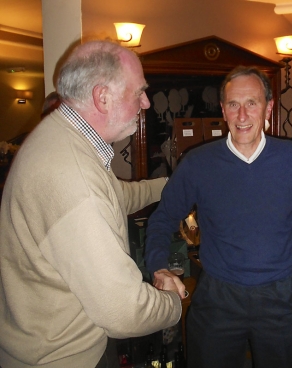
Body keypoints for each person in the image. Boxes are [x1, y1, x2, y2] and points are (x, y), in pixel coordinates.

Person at [144, 66, 292, 368]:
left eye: (252, 103)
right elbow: (163, 218)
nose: (242, 115)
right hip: (217, 299)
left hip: (279, 299)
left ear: (269, 108)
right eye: (233, 104)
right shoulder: (197, 163)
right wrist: (158, 267)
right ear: (223, 109)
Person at [0, 40, 184, 368]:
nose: (145, 102)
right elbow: (124, 311)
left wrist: (172, 185)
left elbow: (115, 197)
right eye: (139, 91)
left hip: (44, 342)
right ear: (103, 97)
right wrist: (175, 301)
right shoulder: (74, 177)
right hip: (62, 358)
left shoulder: (60, 136)